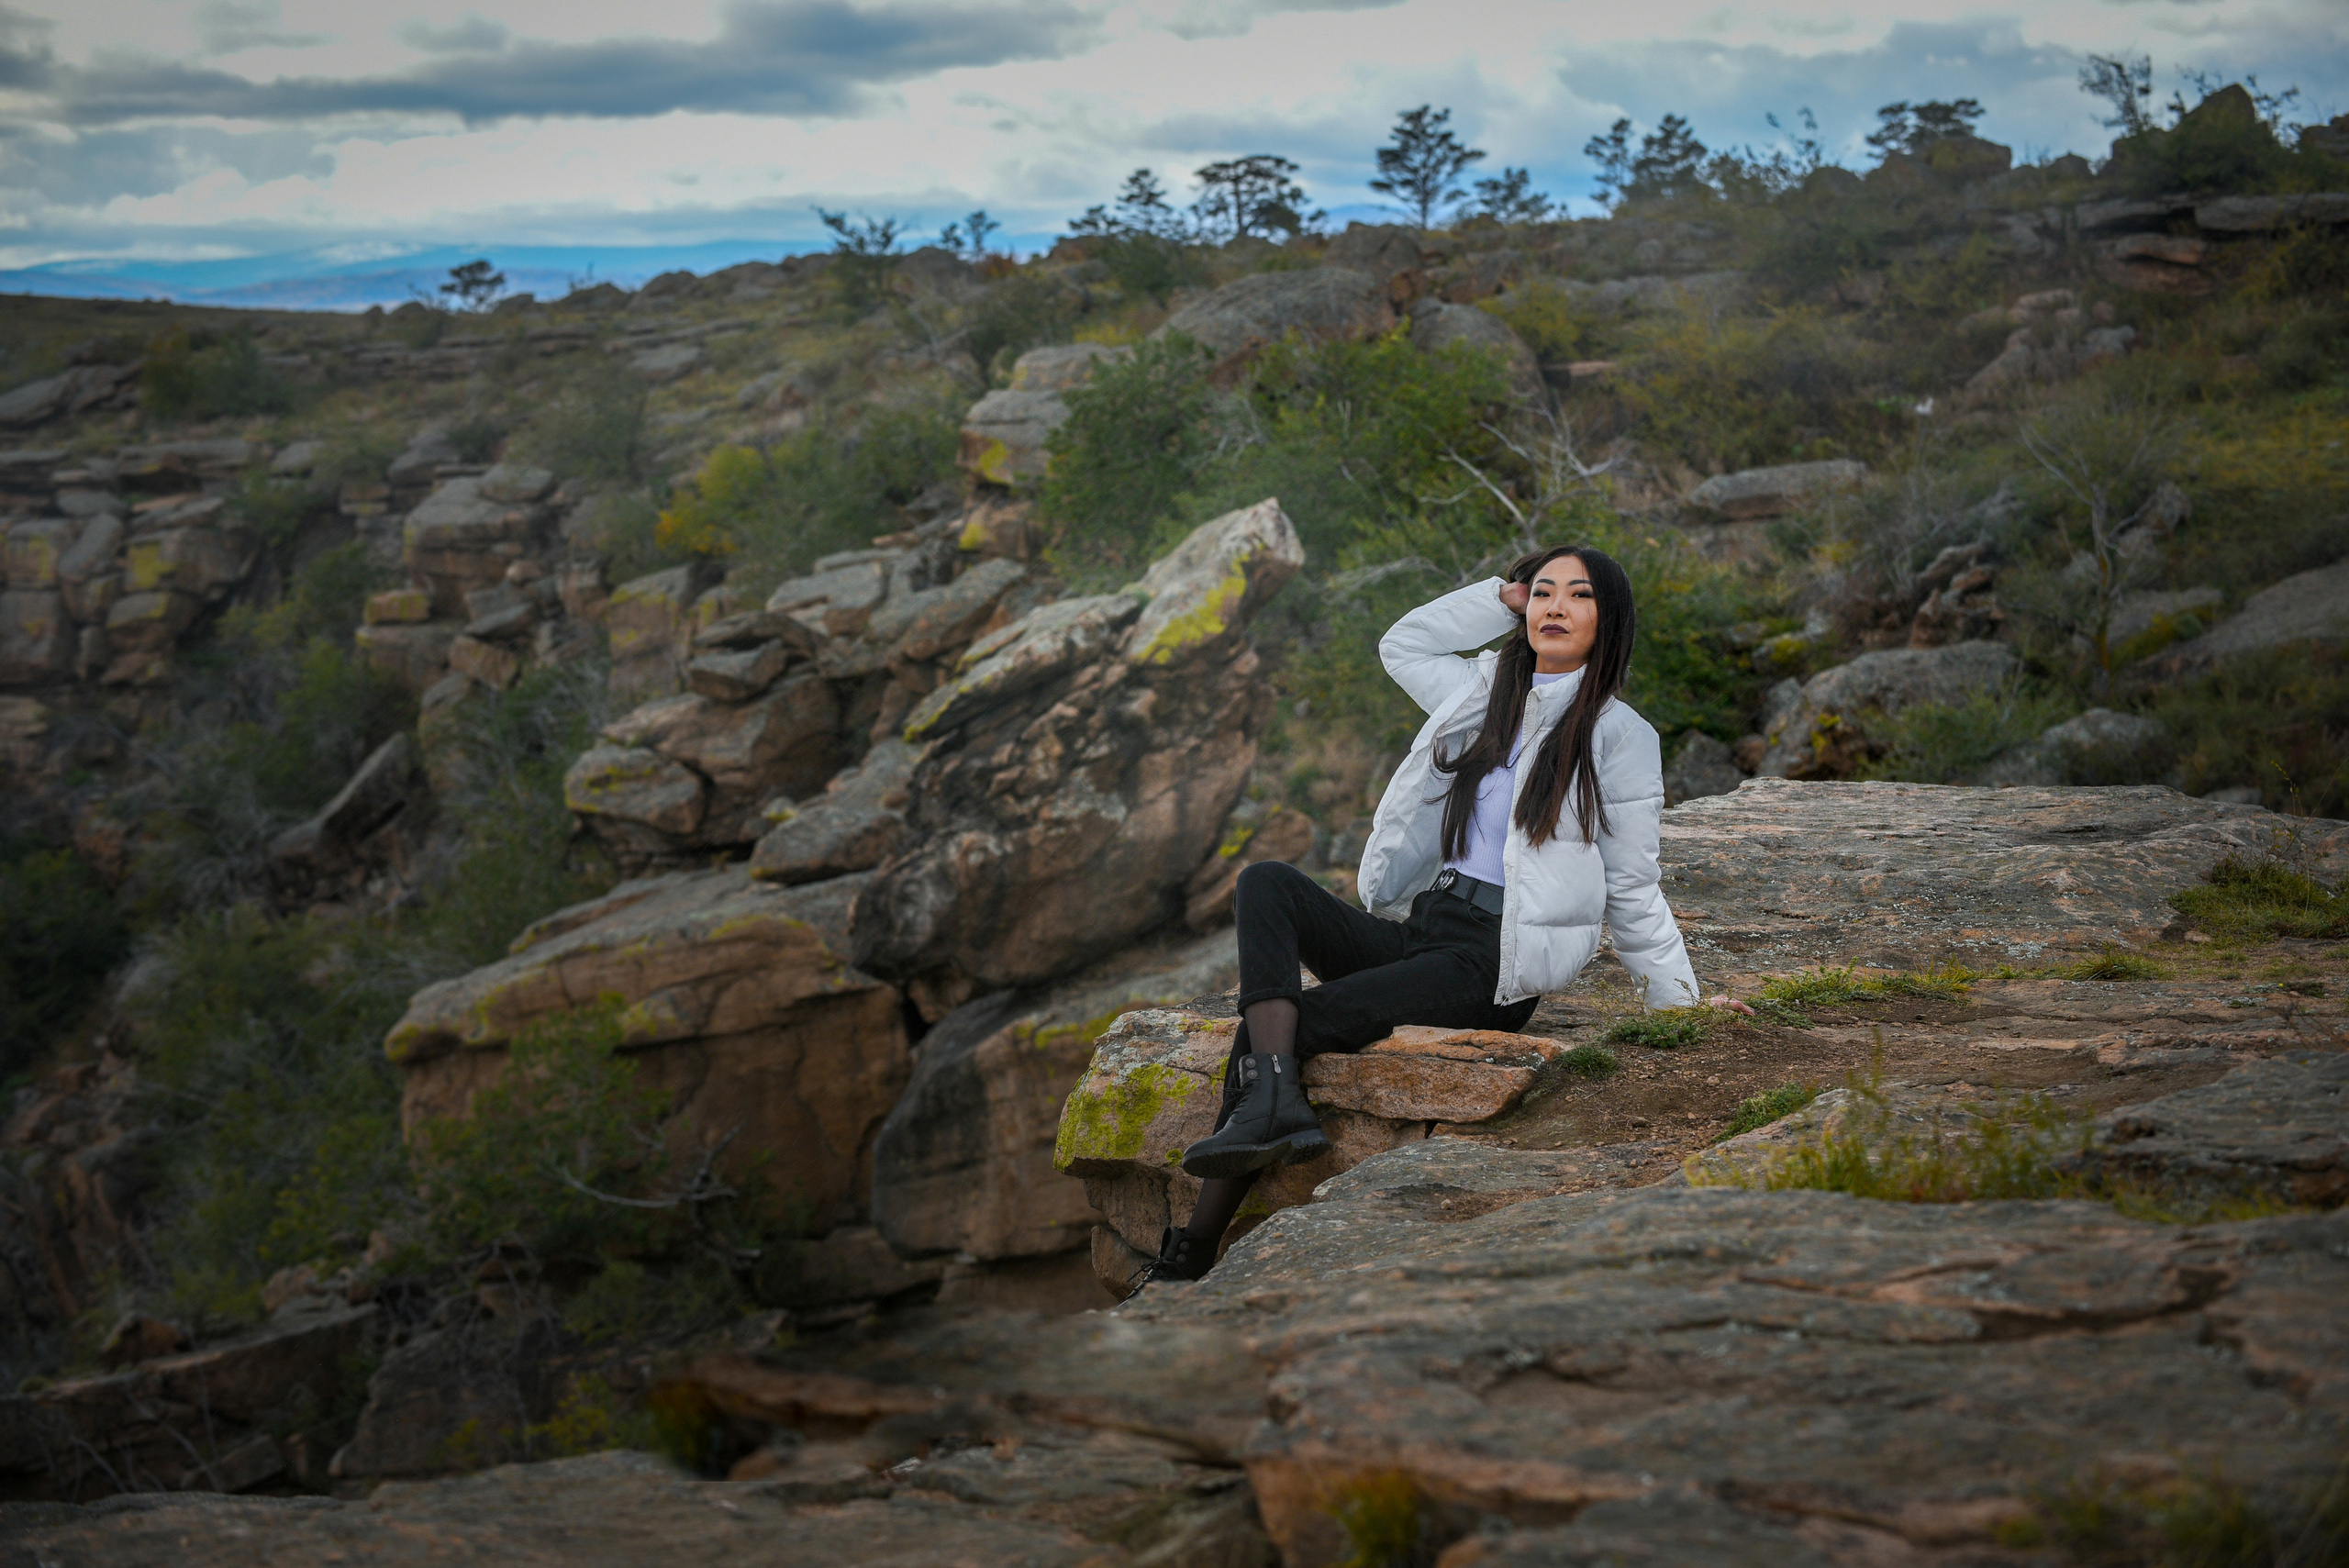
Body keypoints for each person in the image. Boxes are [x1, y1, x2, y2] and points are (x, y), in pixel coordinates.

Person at [1132, 544, 1748, 1292]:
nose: (1555, 607)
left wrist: (1680, 1002)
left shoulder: (1621, 736)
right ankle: (1271, 1104)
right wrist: (1498, 596)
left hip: (1491, 965)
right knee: (1266, 882)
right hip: (1426, 929)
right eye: (1543, 592)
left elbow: (1632, 884)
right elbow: (1403, 643)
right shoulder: (1481, 692)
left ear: (1608, 618)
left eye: (1578, 595)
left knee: (1289, 1021)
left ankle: (1192, 1248)